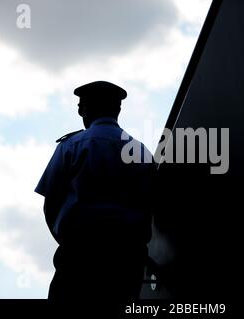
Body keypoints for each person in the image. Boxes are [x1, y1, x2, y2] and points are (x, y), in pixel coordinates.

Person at [35, 81, 155, 310]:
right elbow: (150, 204)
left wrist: (68, 239)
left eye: (80, 106)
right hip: (126, 257)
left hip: (80, 253)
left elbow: (51, 203)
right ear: (117, 110)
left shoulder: (71, 146)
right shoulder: (141, 151)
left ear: (85, 110)